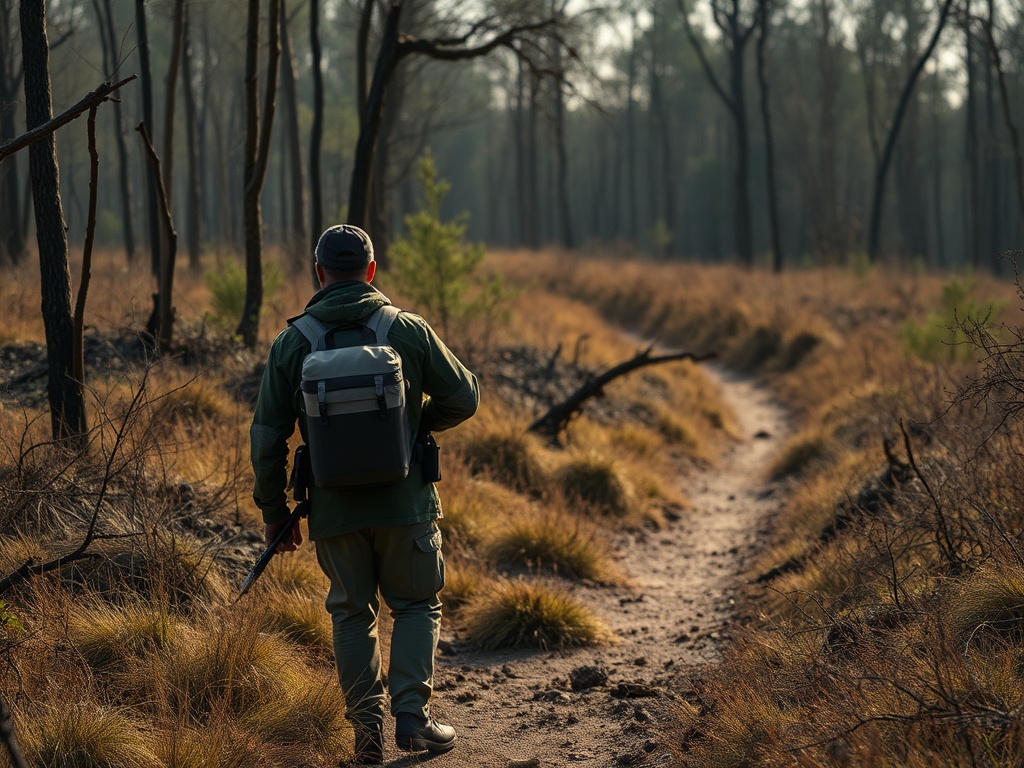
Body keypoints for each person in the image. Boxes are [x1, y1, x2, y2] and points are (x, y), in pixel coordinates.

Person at [250, 224, 479, 765]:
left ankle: (367, 733)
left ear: (320, 273)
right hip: (407, 506)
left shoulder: (292, 343)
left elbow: (266, 437)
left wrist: (275, 513)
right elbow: (465, 397)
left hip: (334, 511)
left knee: (353, 614)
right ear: (372, 271)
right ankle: (413, 718)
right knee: (418, 602)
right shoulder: (408, 330)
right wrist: (415, 428)